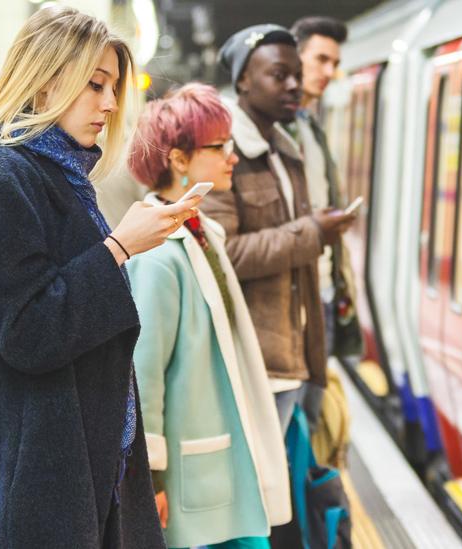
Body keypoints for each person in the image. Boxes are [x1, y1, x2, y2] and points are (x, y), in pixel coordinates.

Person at [0, 6, 201, 547]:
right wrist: (121, 247)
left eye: (112, 88)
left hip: (75, 466)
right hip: (29, 483)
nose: (108, 104)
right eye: (94, 84)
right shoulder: (2, 183)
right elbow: (28, 332)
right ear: (44, 83)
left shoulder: (56, 176)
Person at [126, 84, 291, 549]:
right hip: (191, 474)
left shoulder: (201, 231)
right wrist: (151, 475)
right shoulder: (158, 256)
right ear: (178, 160)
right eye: (218, 147)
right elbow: (144, 373)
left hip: (217, 462)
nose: (232, 157)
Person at [205, 24, 354, 434]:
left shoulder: (285, 152)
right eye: (278, 75)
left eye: (296, 75)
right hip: (255, 363)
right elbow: (223, 255)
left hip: (294, 352)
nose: (294, 85)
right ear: (243, 81)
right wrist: (313, 233)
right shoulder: (223, 152)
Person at [288, 16, 364, 428]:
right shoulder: (273, 132)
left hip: (323, 291)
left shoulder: (309, 127)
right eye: (320, 59)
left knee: (310, 418)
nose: (329, 73)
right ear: (292, 57)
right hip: (296, 300)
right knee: (296, 423)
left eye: (334, 63)